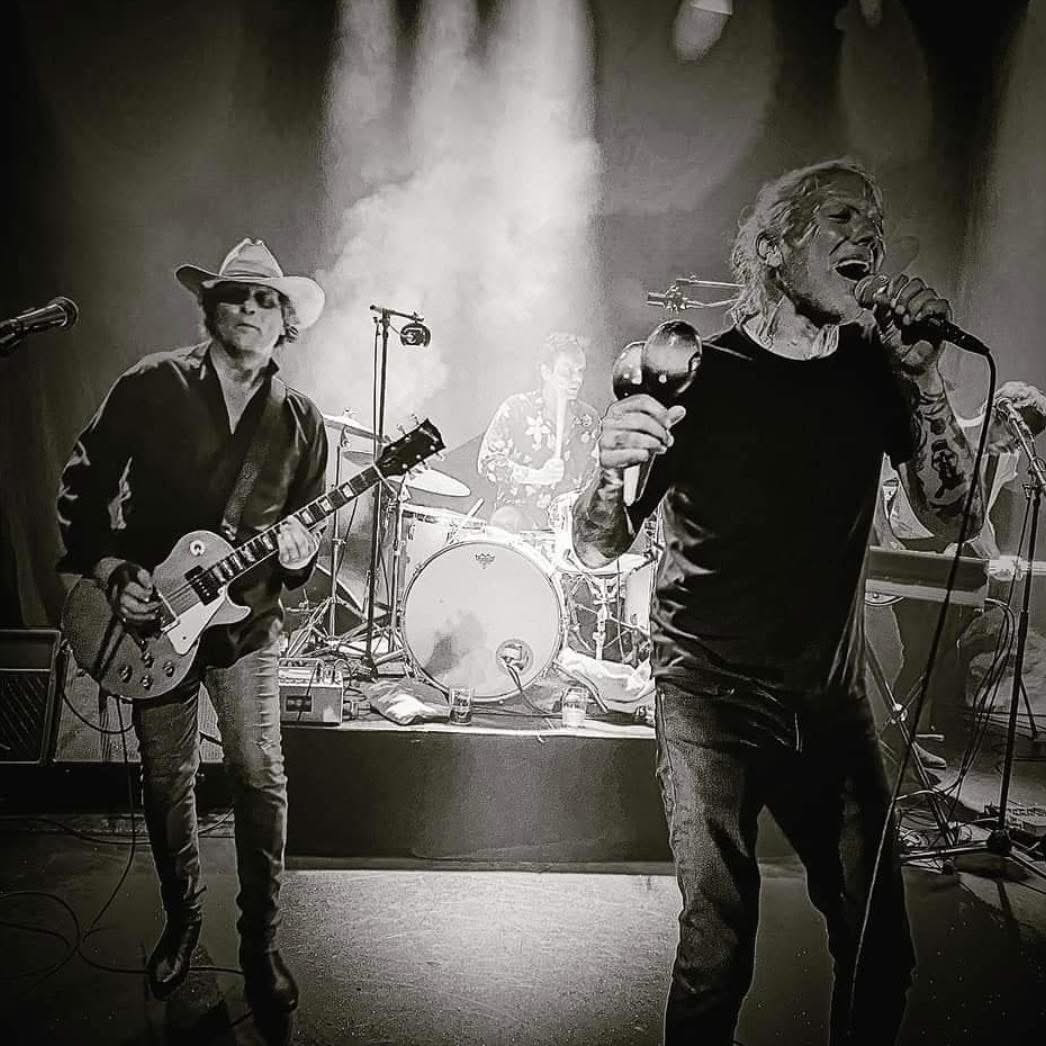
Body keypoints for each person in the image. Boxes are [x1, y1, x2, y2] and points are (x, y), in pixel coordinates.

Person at [572, 159, 984, 1045]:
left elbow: (954, 515)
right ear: (772, 248)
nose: (868, 236)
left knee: (880, 949)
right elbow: (598, 544)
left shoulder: (877, 372)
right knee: (719, 949)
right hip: (708, 695)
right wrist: (607, 469)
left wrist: (925, 378)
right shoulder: (702, 376)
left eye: (875, 224)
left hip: (829, 700)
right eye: (841, 217)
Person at [56, 238, 328, 1018]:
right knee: (167, 779)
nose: (252, 309)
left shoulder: (301, 421)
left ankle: (260, 944)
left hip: (247, 627)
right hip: (148, 618)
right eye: (237, 295)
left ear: (285, 323)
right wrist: (113, 571)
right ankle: (182, 924)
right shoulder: (151, 383)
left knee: (261, 776)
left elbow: (303, 542)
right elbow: (82, 485)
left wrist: (302, 555)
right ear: (211, 307)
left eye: (268, 300)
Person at [477, 331, 600, 533]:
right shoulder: (517, 408)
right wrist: (537, 476)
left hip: (568, 524)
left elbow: (595, 475)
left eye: (580, 371)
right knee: (505, 519)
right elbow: (486, 462)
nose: (577, 379)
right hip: (518, 519)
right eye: (567, 372)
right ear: (546, 372)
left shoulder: (589, 419)